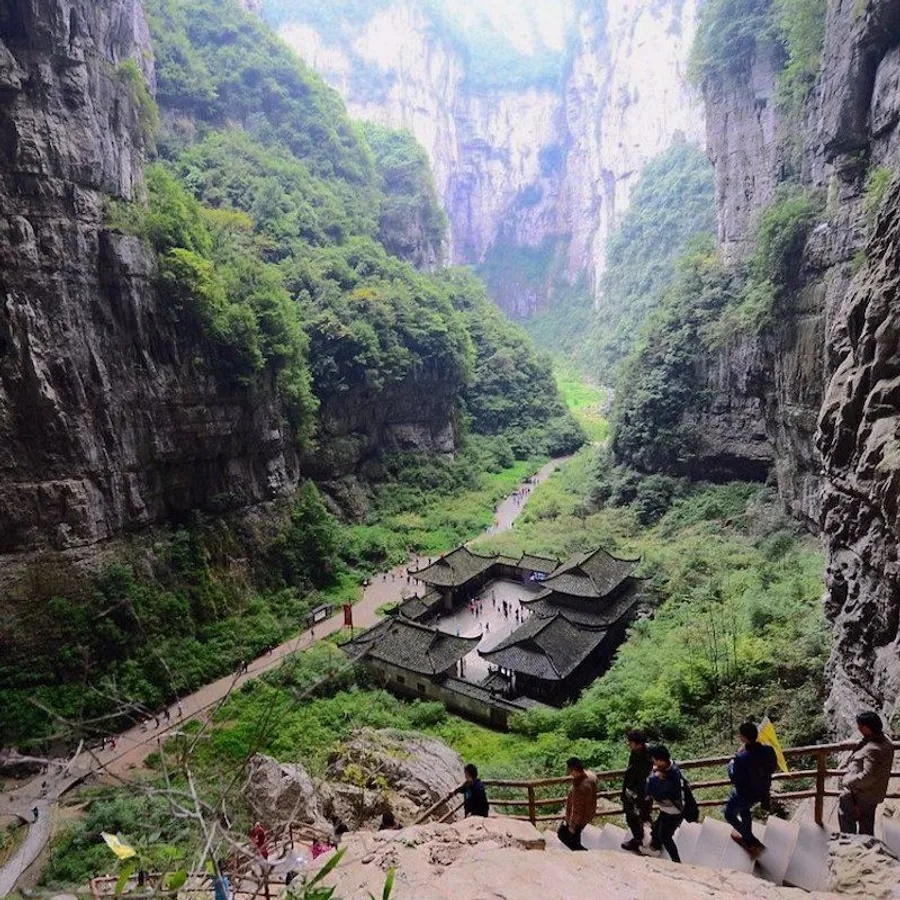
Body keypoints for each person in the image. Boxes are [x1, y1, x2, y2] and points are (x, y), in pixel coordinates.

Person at [724, 721, 777, 854]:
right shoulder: (768, 750)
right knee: (744, 810)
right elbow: (772, 768)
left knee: (729, 814)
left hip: (745, 794)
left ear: (743, 738)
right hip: (762, 791)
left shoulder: (741, 758)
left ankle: (749, 838)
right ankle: (748, 837)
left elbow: (734, 777)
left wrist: (731, 764)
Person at [838, 710, 895, 835]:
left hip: (862, 794)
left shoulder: (873, 749)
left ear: (867, 727)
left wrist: (847, 782)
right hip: (873, 793)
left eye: (861, 726)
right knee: (867, 825)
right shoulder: (885, 741)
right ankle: (865, 848)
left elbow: (868, 776)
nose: (858, 728)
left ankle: (848, 846)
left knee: (848, 821)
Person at [645, 745, 684, 862]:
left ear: (661, 760)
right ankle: (655, 846)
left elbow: (652, 792)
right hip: (668, 809)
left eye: (655, 760)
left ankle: (676, 861)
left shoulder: (664, 779)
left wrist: (653, 778)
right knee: (657, 827)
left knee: (665, 836)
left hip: (673, 811)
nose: (653, 762)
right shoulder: (673, 767)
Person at [620, 728, 654, 852]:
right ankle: (640, 839)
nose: (629, 745)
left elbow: (642, 775)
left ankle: (651, 840)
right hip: (632, 790)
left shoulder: (648, 756)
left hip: (641, 792)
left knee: (640, 816)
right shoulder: (636, 752)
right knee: (633, 816)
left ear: (638, 743)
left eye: (631, 742)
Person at [558, 757, 597, 851]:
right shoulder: (591, 777)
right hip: (588, 814)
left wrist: (572, 826)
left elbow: (577, 809)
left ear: (574, 770)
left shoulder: (579, 788)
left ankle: (583, 853)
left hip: (580, 820)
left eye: (570, 770)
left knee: (563, 835)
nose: (570, 773)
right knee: (576, 839)